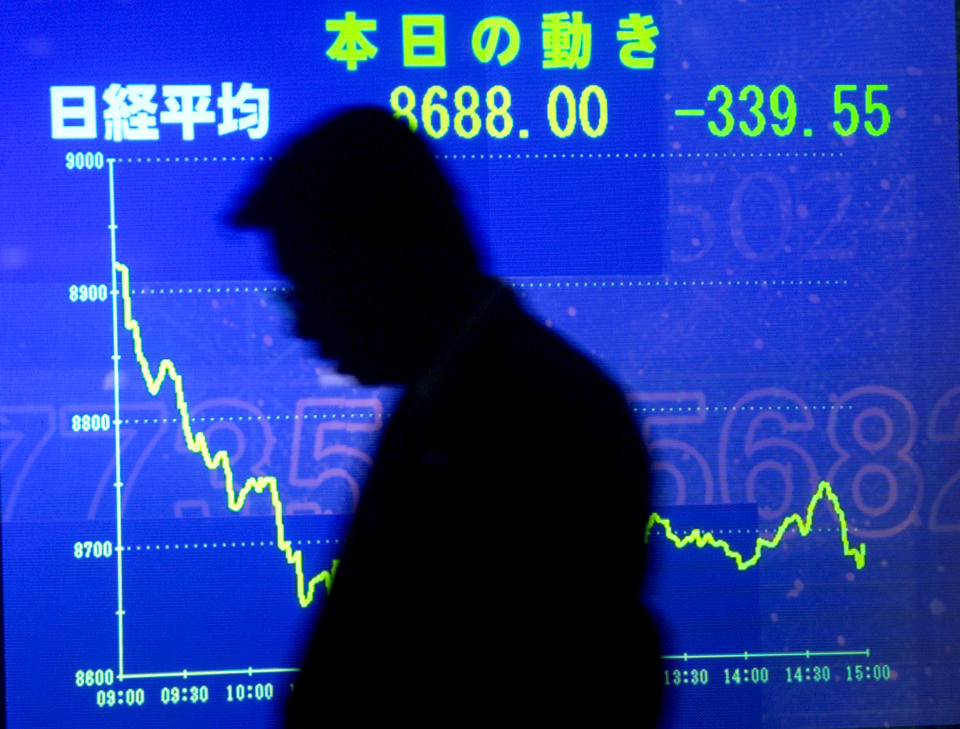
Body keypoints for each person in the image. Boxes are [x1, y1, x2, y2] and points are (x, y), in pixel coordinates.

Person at [233, 106, 660, 726]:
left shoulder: (535, 416)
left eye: (307, 283)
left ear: (380, 258)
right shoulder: (479, 392)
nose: (300, 322)